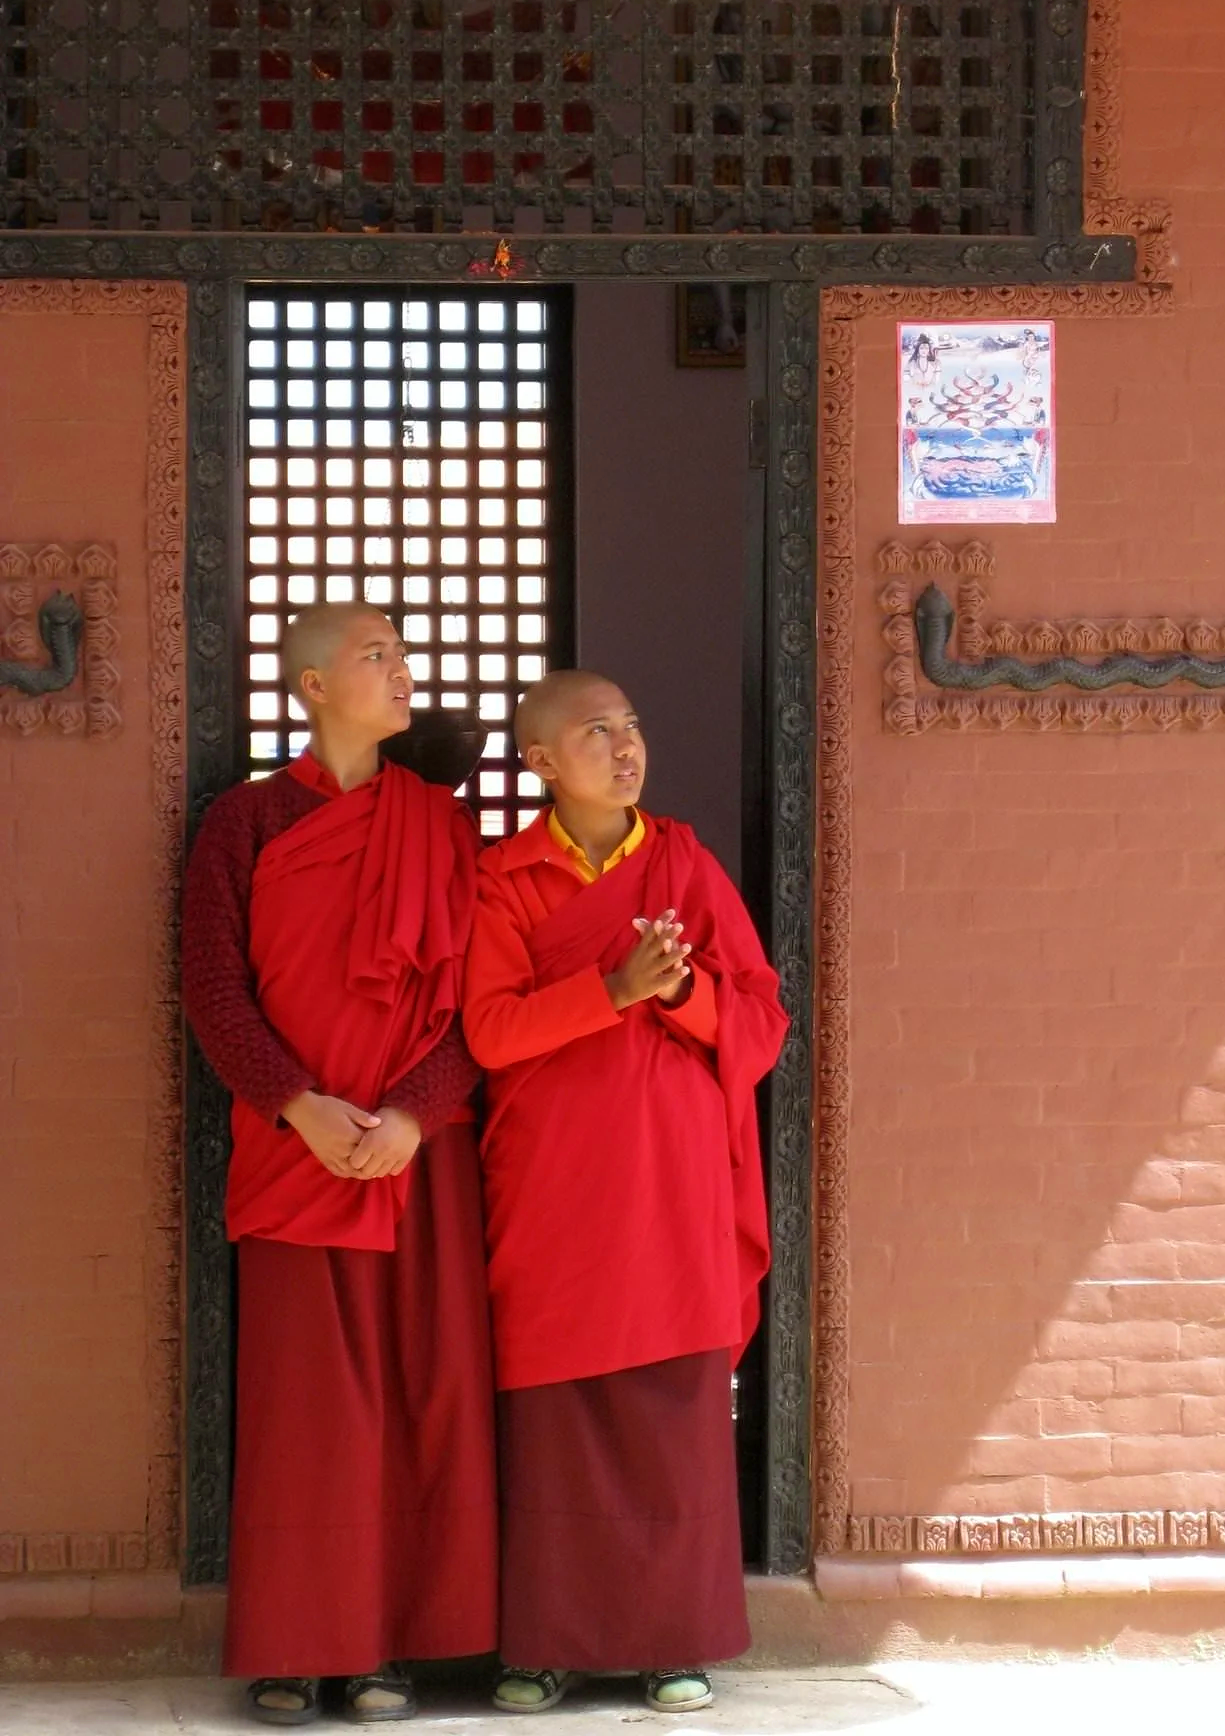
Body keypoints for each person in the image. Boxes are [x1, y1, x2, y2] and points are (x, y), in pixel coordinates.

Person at [181, 603, 498, 1727]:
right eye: (377, 655)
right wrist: (298, 1106)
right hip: (295, 1146)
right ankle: (295, 1644)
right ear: (312, 683)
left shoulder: (443, 827)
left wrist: (410, 1114)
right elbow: (212, 987)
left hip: (419, 1154)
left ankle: (389, 1649)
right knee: (304, 1409)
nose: (403, 669)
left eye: (405, 655)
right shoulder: (246, 821)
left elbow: (478, 1002)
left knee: (424, 1389)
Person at [463, 670, 787, 1716]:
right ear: (542, 761)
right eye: (594, 731)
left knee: (669, 1418)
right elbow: (492, 1031)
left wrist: (681, 990)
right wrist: (612, 990)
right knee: (556, 1420)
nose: (624, 744)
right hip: (554, 1184)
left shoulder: (683, 863)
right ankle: (547, 1646)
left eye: (633, 725)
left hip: (669, 1179)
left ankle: (671, 1642)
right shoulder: (503, 880)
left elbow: (762, 1020)